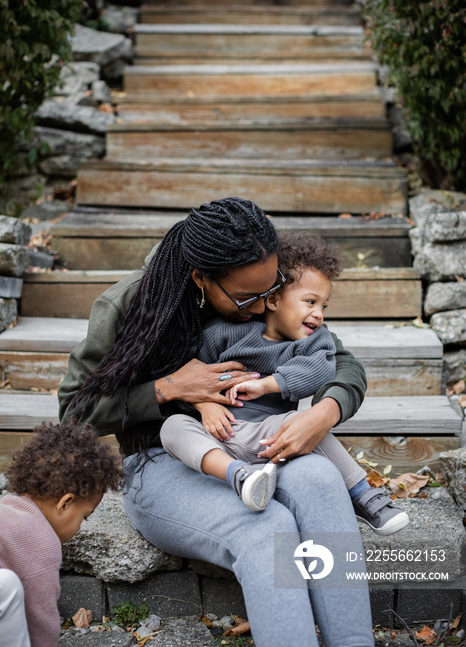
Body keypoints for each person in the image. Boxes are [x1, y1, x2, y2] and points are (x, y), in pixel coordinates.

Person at [58, 197, 375, 647]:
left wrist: (325, 413)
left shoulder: (262, 285)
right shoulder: (129, 303)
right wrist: (166, 388)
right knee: (268, 527)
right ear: (201, 279)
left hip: (258, 441)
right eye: (248, 298)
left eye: (272, 292)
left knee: (322, 481)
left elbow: (341, 362)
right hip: (166, 459)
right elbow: (73, 413)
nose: (262, 305)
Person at [160, 233, 409, 535]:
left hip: (270, 435)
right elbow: (190, 375)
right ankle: (239, 477)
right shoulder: (223, 333)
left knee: (301, 421)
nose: (317, 313)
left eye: (323, 306)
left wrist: (267, 385)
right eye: (310, 302)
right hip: (218, 432)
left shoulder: (314, 342)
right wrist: (205, 405)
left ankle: (364, 496)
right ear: (274, 299)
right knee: (173, 426)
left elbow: (318, 372)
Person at [0, 421, 122, 647]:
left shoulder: (7, 505)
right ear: (65, 504)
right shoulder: (42, 540)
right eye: (84, 517)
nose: (80, 528)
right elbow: (41, 619)